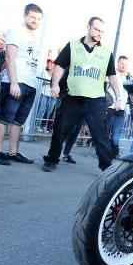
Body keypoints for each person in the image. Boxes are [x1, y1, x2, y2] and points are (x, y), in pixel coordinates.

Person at [42, 16, 122, 172]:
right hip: (73, 98)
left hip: (96, 101)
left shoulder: (106, 52)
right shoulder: (72, 45)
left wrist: (118, 98)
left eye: (102, 31)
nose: (100, 33)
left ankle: (106, 167)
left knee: (100, 135)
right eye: (97, 29)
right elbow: (59, 65)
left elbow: (112, 76)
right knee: (60, 129)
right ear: (88, 27)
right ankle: (52, 160)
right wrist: (55, 83)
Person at [0, 3, 43, 165]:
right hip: (15, 81)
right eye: (32, 17)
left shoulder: (36, 38)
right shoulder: (16, 30)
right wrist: (14, 83)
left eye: (39, 18)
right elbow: (9, 58)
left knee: (18, 121)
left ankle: (12, 152)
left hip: (30, 83)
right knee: (5, 118)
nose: (35, 21)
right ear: (25, 16)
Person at [106, 55, 130, 159]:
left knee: (116, 135)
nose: (124, 66)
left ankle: (113, 153)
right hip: (110, 108)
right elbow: (105, 89)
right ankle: (104, 153)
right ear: (118, 63)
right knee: (105, 132)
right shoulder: (111, 75)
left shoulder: (128, 78)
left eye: (126, 64)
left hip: (121, 110)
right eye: (122, 63)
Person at [36, 59, 55, 132]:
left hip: (52, 95)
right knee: (41, 109)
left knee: (48, 112)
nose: (49, 64)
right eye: (48, 63)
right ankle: (36, 125)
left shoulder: (55, 74)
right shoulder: (44, 72)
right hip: (44, 93)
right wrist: (48, 82)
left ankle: (43, 126)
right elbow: (41, 82)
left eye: (51, 63)